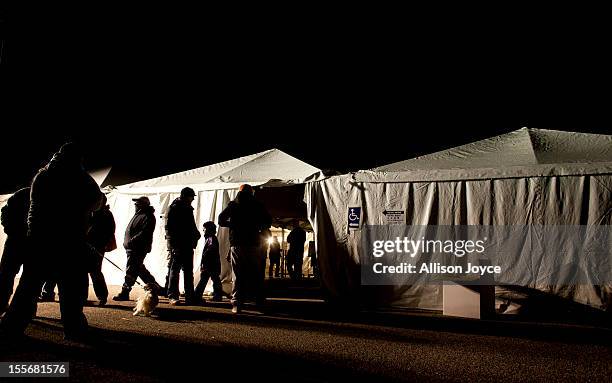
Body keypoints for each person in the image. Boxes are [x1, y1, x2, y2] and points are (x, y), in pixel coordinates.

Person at [1, 143, 103, 340]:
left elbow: (34, 211)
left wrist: (33, 236)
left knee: (28, 286)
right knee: (71, 289)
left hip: (41, 239)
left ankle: (11, 327)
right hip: (70, 241)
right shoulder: (81, 178)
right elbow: (97, 201)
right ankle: (74, 329)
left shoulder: (44, 175)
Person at [219, 184, 271, 314]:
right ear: (251, 192)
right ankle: (258, 301)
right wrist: (256, 226)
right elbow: (268, 222)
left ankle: (237, 304)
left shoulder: (234, 204)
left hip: (237, 242)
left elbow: (221, 220)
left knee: (238, 273)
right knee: (256, 273)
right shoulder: (258, 205)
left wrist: (234, 225)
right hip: (253, 242)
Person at [113, 196, 162, 301]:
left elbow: (145, 232)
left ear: (144, 205)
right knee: (139, 269)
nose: (135, 205)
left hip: (138, 248)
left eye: (138, 203)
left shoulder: (148, 216)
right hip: (132, 248)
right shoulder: (139, 215)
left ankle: (125, 292)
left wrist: (132, 241)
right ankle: (157, 288)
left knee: (131, 270)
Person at [165, 187, 200, 305]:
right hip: (178, 244)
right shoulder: (175, 208)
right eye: (191, 197)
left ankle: (190, 296)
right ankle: (173, 295)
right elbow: (169, 229)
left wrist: (195, 234)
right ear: (186, 196)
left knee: (187, 271)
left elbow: (190, 225)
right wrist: (172, 246)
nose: (193, 199)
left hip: (187, 244)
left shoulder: (186, 208)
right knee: (175, 271)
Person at [0, 187, 30, 314]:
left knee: (6, 274)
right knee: (28, 279)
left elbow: (4, 211)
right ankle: (25, 310)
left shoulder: (22, 193)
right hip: (30, 242)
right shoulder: (47, 196)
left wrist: (9, 229)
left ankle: (2, 304)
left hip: (14, 240)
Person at [86, 194, 116, 306]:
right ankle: (82, 297)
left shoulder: (106, 214)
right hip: (86, 246)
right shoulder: (90, 212)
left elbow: (110, 231)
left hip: (97, 247)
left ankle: (102, 297)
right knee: (83, 272)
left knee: (95, 272)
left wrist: (100, 245)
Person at [193, 221, 223, 303]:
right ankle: (217, 295)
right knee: (214, 280)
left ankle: (197, 295)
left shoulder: (210, 238)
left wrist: (205, 259)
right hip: (212, 264)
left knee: (205, 280)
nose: (203, 231)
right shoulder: (211, 238)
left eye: (204, 229)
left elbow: (210, 248)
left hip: (210, 264)